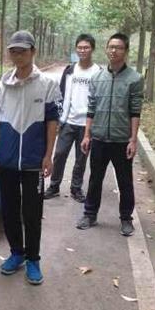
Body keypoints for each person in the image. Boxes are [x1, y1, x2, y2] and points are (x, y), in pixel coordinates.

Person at [0, 30, 60, 285]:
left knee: (32, 212)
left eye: (22, 51)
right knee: (9, 210)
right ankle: (16, 253)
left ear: (33, 52)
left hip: (33, 162)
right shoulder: (2, 86)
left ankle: (33, 259)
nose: (18, 55)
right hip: (6, 160)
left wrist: (48, 155)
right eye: (13, 51)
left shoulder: (47, 84)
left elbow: (52, 122)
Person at [75, 33, 144, 236]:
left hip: (122, 140)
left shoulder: (134, 79)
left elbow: (135, 111)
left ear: (126, 51)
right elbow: (91, 109)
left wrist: (133, 140)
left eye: (119, 47)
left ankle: (126, 219)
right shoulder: (97, 77)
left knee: (125, 182)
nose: (114, 50)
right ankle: (90, 214)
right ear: (106, 49)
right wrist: (87, 135)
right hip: (99, 139)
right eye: (111, 47)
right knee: (95, 179)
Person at [45, 34, 101, 202]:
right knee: (59, 154)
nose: (82, 50)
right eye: (80, 47)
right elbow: (61, 94)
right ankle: (54, 186)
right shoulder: (70, 70)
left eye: (86, 47)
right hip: (68, 121)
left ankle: (76, 188)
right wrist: (59, 118)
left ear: (92, 49)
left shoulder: (98, 72)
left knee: (81, 158)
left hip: (87, 124)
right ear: (76, 49)